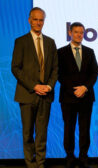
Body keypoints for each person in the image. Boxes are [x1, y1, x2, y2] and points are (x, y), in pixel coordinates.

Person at [11, 7, 58, 168]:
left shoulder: (51, 42)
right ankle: (30, 164)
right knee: (27, 133)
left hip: (46, 95)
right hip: (27, 94)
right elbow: (15, 68)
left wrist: (49, 86)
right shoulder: (21, 41)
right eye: (35, 19)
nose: (38, 22)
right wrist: (34, 86)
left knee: (42, 133)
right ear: (29, 20)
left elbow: (55, 69)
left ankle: (40, 163)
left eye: (41, 20)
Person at [57, 22, 98, 168]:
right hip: (68, 97)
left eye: (81, 32)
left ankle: (83, 157)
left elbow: (94, 73)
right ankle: (69, 157)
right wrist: (74, 90)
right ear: (70, 33)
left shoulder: (89, 51)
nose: (79, 35)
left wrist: (85, 88)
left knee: (85, 128)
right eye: (76, 32)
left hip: (86, 97)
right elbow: (59, 75)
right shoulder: (60, 52)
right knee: (69, 128)